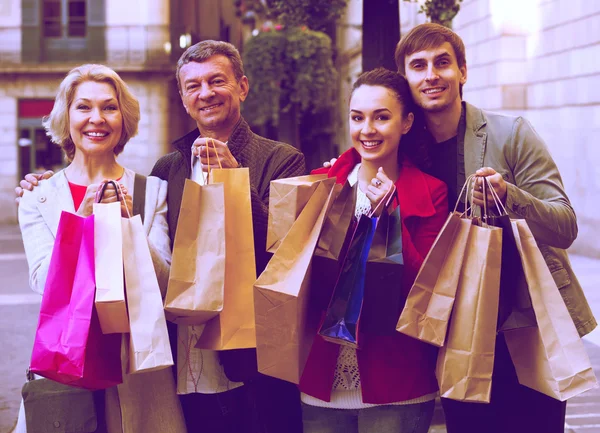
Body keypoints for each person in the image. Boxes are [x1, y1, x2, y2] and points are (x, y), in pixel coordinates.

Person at [16, 40, 305, 433]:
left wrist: (235, 184)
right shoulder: (165, 170)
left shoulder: (279, 160)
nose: (205, 94)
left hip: (236, 362)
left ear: (242, 86)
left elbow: (283, 255)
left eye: (216, 81)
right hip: (118, 360)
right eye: (193, 86)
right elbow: (43, 282)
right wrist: (79, 225)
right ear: (183, 98)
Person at [392, 23, 597, 433]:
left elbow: (565, 225)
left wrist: (511, 197)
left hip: (523, 326)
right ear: (406, 79)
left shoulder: (510, 134)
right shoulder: (402, 150)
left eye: (443, 62)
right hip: (454, 332)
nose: (431, 74)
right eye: (419, 66)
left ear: (463, 72)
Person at [16, 64, 186, 433]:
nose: (97, 119)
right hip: (65, 357)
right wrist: (80, 222)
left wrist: (131, 228)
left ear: (123, 119)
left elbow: (166, 282)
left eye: (109, 107)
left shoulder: (150, 190)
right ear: (66, 116)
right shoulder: (38, 197)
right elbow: (43, 282)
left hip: (137, 368)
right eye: (84, 107)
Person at [299, 68, 448, 433]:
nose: (367, 129)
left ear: (407, 122)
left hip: (398, 382)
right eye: (358, 117)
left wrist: (391, 215)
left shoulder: (432, 191)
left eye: (382, 117)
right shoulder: (323, 183)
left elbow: (428, 289)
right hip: (321, 379)